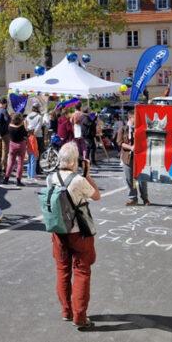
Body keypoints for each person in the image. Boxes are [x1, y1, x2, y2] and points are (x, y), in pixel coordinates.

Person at [48, 142, 101, 331]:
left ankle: (66, 311)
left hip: (59, 231)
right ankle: (79, 316)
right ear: (73, 162)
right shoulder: (78, 180)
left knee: (62, 270)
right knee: (82, 271)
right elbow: (96, 196)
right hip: (79, 232)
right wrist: (88, 175)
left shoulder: (51, 178)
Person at [116, 114, 149, 206]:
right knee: (130, 179)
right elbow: (119, 142)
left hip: (139, 157)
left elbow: (146, 141)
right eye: (135, 117)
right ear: (130, 117)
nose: (137, 119)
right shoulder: (123, 129)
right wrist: (130, 147)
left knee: (142, 179)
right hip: (127, 157)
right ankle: (133, 198)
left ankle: (145, 198)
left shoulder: (140, 129)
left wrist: (138, 137)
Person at [5, 113, 28, 185]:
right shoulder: (21, 127)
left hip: (12, 144)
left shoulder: (9, 126)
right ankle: (18, 180)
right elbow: (26, 134)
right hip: (21, 144)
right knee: (20, 163)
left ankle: (6, 178)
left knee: (11, 162)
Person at [26, 104, 44, 178]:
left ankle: (29, 173)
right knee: (36, 154)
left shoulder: (28, 116)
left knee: (30, 155)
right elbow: (38, 127)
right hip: (37, 136)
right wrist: (34, 134)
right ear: (37, 108)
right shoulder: (39, 116)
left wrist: (29, 132)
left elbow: (26, 125)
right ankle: (35, 172)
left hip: (29, 136)